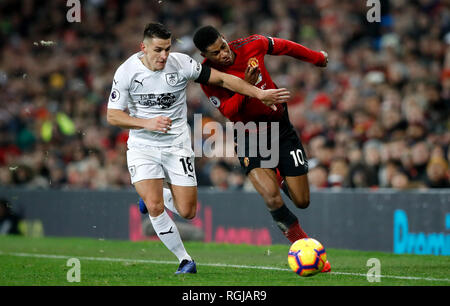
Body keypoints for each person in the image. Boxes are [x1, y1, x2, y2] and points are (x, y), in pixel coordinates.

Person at [107, 22, 290, 274]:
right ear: (144, 47)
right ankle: (185, 260)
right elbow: (113, 116)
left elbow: (225, 80)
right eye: (158, 50)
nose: (164, 56)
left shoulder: (181, 64)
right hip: (143, 145)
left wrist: (259, 94)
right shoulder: (126, 72)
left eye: (167, 49)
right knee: (155, 207)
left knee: (188, 212)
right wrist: (145, 122)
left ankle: (157, 196)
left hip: (177, 145)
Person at [192, 26, 331, 272]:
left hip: (282, 130)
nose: (223, 54)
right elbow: (229, 112)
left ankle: (278, 175)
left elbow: (286, 46)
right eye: (215, 53)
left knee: (302, 201)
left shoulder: (251, 44)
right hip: (250, 138)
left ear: (225, 39)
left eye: (223, 46)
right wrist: (248, 87)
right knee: (270, 196)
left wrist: (316, 58)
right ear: (205, 55)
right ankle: (302, 246)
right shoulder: (208, 76)